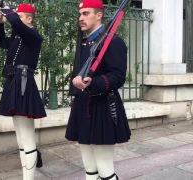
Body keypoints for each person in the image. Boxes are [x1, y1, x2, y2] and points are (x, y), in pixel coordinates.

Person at [65, 0, 131, 179]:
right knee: (89, 167)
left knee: (105, 170)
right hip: (83, 106)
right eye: (80, 14)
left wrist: (92, 83)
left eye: (86, 14)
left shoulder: (114, 42)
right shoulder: (86, 43)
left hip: (103, 107)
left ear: (99, 15)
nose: (81, 18)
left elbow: (118, 76)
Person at [0, 3, 46, 180]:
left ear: (29, 19)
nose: (16, 19)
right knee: (20, 137)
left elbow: (15, 22)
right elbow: (1, 41)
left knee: (27, 136)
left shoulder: (33, 36)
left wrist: (7, 11)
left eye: (20, 16)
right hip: (14, 82)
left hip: (24, 83)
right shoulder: (18, 36)